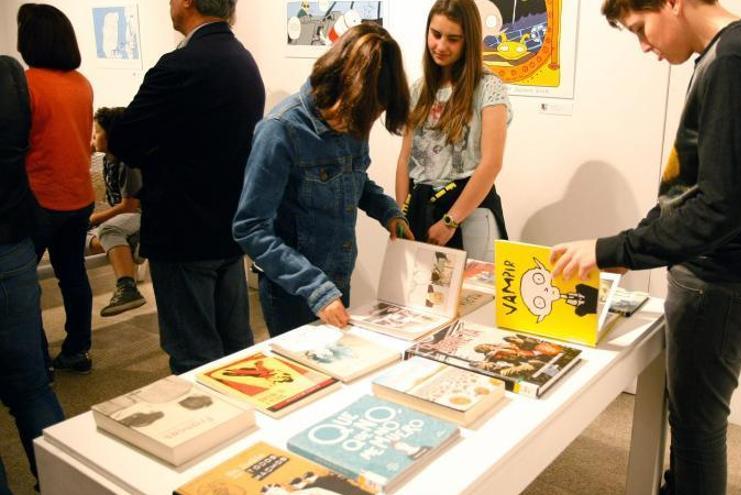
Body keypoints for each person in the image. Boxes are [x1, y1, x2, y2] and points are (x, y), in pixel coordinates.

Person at [551, 1, 741, 493]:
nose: (645, 47)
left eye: (642, 29)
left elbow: (721, 209)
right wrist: (625, 247)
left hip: (724, 278)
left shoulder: (733, 61)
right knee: (693, 422)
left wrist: (612, 249)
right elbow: (688, 191)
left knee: (697, 429)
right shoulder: (736, 50)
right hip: (729, 271)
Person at [109, 0, 264, 374]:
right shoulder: (245, 62)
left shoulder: (178, 66)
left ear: (186, 2)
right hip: (228, 228)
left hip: (182, 231)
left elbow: (125, 139)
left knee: (195, 358)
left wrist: (160, 147)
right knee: (236, 351)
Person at [233, 23, 413, 337]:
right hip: (293, 292)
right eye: (367, 114)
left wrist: (387, 211)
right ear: (343, 87)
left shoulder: (351, 120)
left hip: (338, 281)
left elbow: (355, 180)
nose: (365, 125)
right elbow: (250, 227)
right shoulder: (280, 130)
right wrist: (315, 288)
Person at [395, 0, 511, 262]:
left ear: (468, 41)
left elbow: (491, 163)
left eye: (453, 39)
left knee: (475, 300)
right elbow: (405, 159)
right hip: (420, 209)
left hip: (470, 212)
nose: (441, 46)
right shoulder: (419, 89)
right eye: (436, 35)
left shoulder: (489, 87)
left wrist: (451, 221)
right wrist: (400, 216)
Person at [18, 3, 96, 374]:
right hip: (79, 196)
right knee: (73, 275)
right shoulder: (82, 84)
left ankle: (36, 359)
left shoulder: (27, 83)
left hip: (38, 198)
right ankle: (77, 349)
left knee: (23, 283)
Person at [0, 54, 65, 495]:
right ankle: (64, 484)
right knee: (31, 386)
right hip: (10, 241)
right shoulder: (8, 75)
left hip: (14, 240)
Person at [86, 106, 146, 317]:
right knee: (83, 240)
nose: (92, 137)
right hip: (127, 219)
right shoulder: (108, 160)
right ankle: (132, 243)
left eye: (97, 132)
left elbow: (130, 206)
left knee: (108, 229)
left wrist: (94, 218)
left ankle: (127, 286)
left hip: (142, 216)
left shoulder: (129, 161)